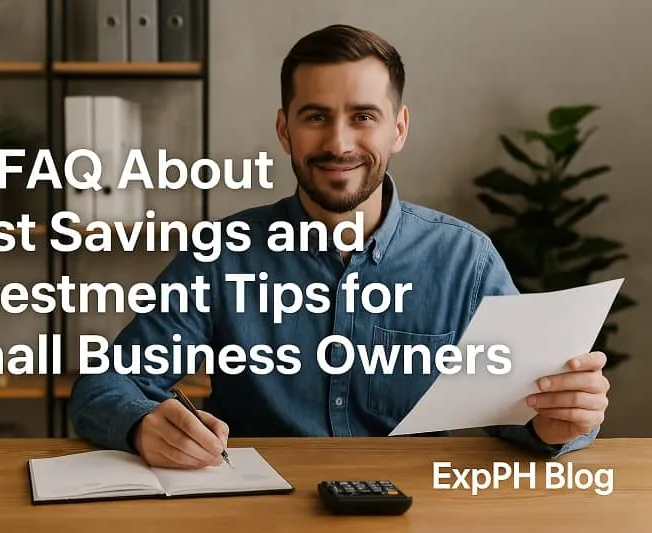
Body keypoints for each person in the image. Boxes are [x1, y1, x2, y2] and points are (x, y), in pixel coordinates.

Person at [68, 24, 609, 469]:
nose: (338, 143)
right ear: (285, 130)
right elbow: (104, 384)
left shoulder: (465, 262)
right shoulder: (220, 255)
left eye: (363, 116)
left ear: (398, 128)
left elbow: (530, 410)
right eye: (316, 117)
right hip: (261, 514)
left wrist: (557, 423)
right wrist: (141, 424)